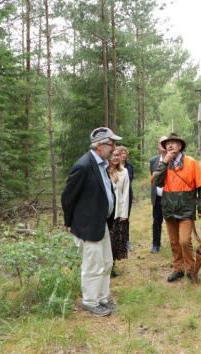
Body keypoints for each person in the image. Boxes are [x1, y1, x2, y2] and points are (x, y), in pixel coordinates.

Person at [61, 127, 122, 317]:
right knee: (93, 265)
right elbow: (67, 197)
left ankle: (102, 298)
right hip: (87, 226)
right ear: (100, 146)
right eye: (111, 144)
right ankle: (90, 301)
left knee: (107, 262)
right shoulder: (84, 165)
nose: (114, 148)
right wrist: (69, 222)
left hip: (101, 223)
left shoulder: (102, 164)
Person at [152, 133, 201, 283]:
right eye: (167, 143)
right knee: (174, 242)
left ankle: (190, 270)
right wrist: (164, 162)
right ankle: (178, 269)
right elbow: (156, 182)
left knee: (184, 241)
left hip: (186, 209)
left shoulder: (191, 162)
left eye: (173, 143)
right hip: (169, 209)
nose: (169, 145)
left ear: (180, 146)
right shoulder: (164, 163)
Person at [107, 148, 130, 276]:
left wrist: (124, 214)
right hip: (106, 212)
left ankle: (112, 266)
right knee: (107, 240)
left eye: (117, 155)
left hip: (118, 211)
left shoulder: (124, 172)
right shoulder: (103, 171)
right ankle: (105, 265)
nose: (116, 157)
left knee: (115, 240)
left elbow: (126, 193)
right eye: (113, 155)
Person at [149, 136, 168, 253]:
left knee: (173, 222)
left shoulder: (174, 160)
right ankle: (156, 245)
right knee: (156, 221)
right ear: (158, 146)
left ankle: (175, 244)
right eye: (161, 143)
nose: (163, 145)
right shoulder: (153, 161)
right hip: (157, 197)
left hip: (171, 198)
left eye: (165, 143)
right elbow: (153, 179)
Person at [117, 145, 134, 250]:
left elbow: (130, 179)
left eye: (125, 153)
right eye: (121, 153)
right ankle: (116, 240)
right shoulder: (113, 165)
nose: (123, 155)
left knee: (125, 217)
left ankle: (126, 241)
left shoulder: (130, 167)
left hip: (127, 194)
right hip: (116, 195)